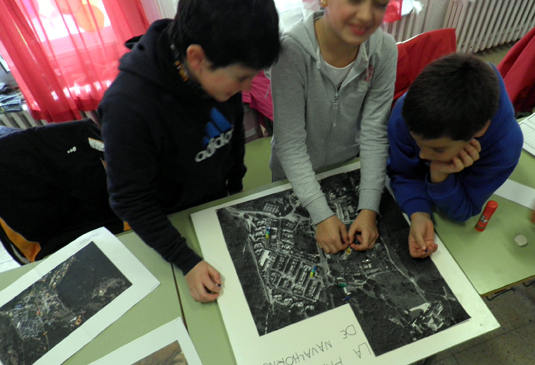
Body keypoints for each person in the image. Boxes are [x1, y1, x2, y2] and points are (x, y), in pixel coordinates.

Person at [99, 0, 281, 302]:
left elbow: (233, 136)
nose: (248, 87)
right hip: (169, 222)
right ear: (196, 58)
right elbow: (129, 199)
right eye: (241, 78)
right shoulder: (128, 108)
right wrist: (186, 261)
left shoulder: (220, 66)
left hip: (215, 205)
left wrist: (234, 190)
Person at [269, 0, 397, 255]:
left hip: (346, 167)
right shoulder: (290, 52)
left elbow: (374, 132)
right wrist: (320, 213)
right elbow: (290, 143)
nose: (365, 15)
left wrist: (369, 208)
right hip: (293, 176)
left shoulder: (384, 49)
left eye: (379, 3)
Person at [387, 53, 523, 258]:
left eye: (438, 149)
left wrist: (440, 175)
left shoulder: (505, 148)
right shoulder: (404, 116)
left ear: (480, 130)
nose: (423, 155)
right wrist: (419, 212)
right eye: (418, 143)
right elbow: (403, 173)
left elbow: (464, 210)